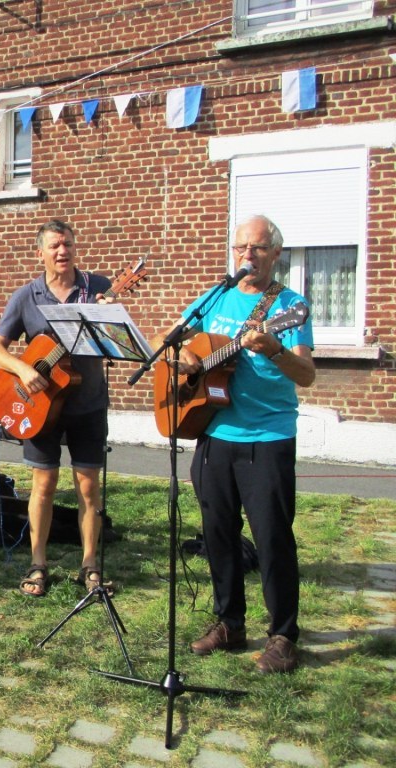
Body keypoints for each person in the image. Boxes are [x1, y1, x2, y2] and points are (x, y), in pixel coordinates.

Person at [161, 215, 315, 674]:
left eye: (259, 248)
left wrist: (272, 348)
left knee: (271, 538)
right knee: (217, 535)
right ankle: (230, 622)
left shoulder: (290, 306)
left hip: (267, 437)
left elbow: (306, 375)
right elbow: (166, 341)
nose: (248, 255)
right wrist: (186, 357)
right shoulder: (216, 296)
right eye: (241, 247)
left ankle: (283, 635)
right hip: (213, 432)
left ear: (275, 254)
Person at [0, 220, 112, 598]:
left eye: (69, 244)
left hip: (87, 403)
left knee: (89, 487)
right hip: (39, 407)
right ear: (40, 252)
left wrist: (105, 317)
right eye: (55, 246)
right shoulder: (26, 296)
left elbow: (114, 341)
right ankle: (38, 563)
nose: (63, 252)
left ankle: (90, 564)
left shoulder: (98, 288)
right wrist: (24, 369)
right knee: (44, 485)